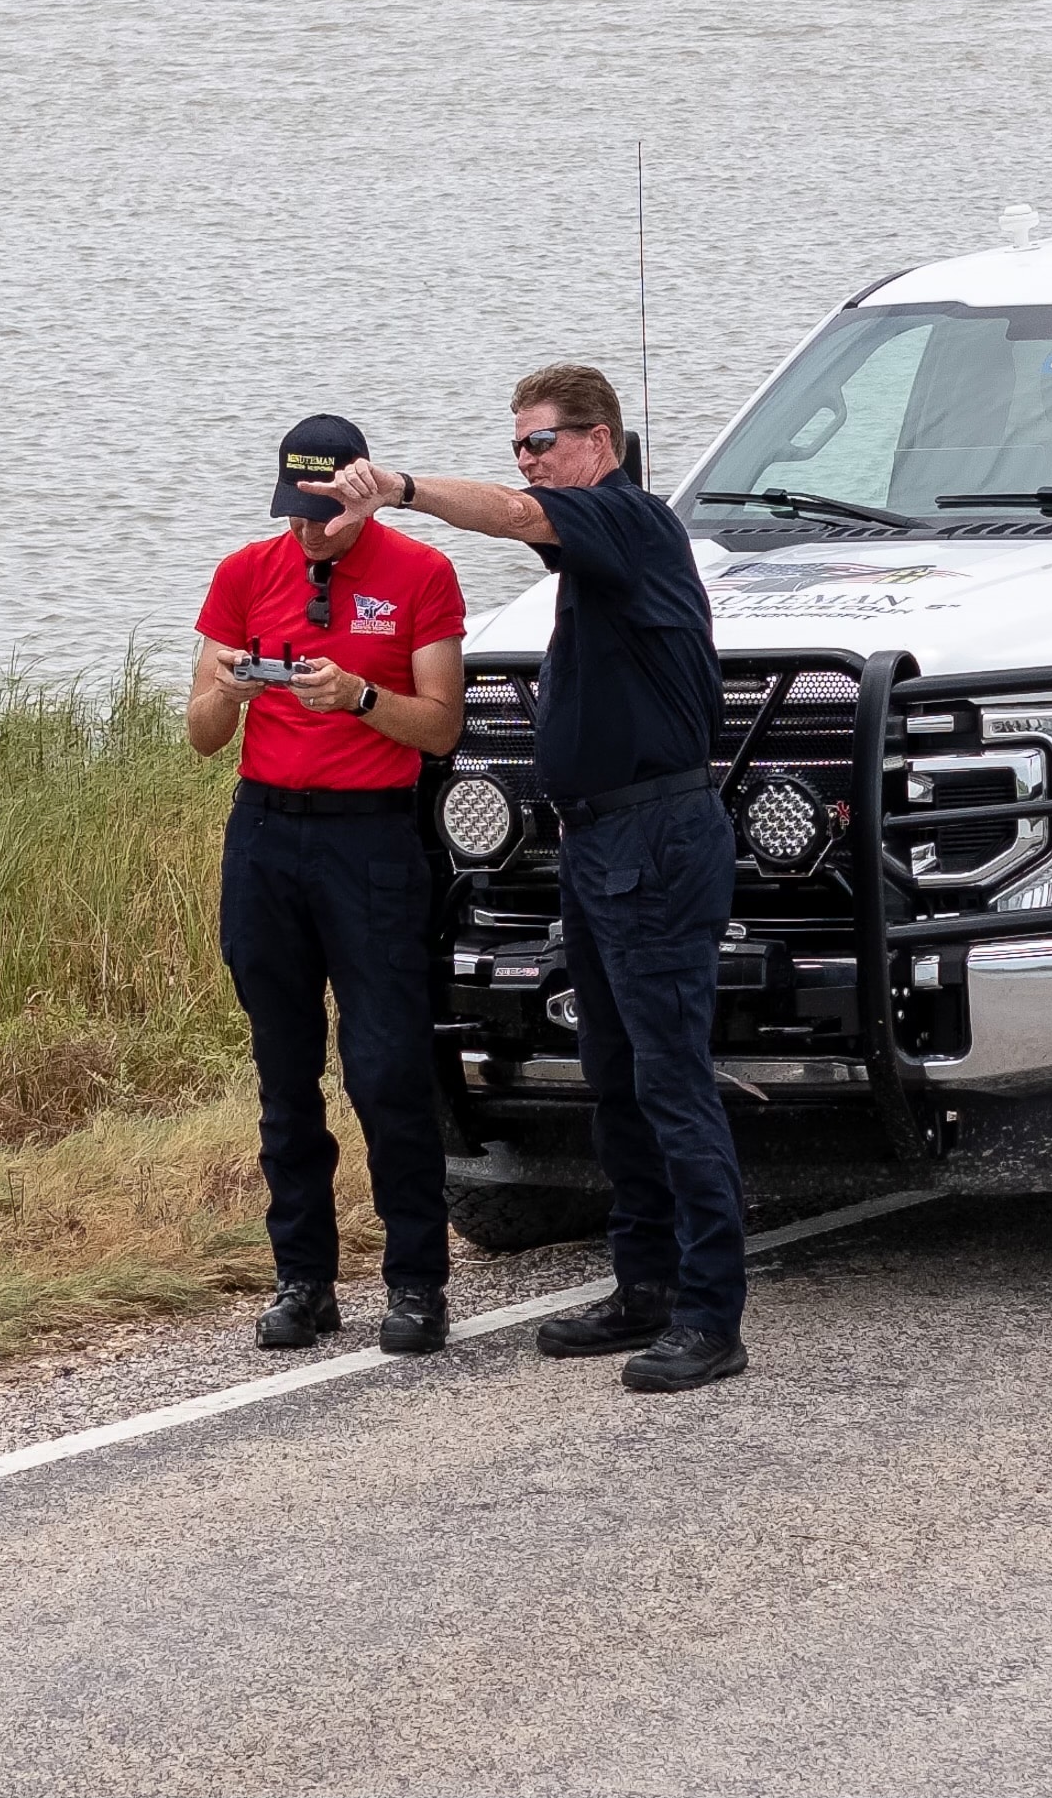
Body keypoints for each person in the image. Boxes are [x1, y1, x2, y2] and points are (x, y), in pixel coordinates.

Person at [321, 363, 745, 1393]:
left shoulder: (628, 520)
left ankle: (708, 1312)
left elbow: (514, 516)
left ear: (600, 440)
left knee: (669, 1075)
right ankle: (641, 1282)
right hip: (597, 841)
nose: (527, 461)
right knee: (614, 1073)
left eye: (540, 440)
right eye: (516, 444)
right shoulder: (594, 565)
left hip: (656, 838)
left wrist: (401, 489)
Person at [191, 414, 468, 1355]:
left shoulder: (421, 574)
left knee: (387, 1067)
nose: (313, 533)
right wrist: (229, 688)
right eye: (297, 517)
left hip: (371, 838)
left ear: (362, 493)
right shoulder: (242, 573)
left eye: (328, 516)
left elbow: (439, 729)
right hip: (267, 832)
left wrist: (356, 696)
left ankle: (418, 1281)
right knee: (283, 1066)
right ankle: (303, 1279)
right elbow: (199, 734)